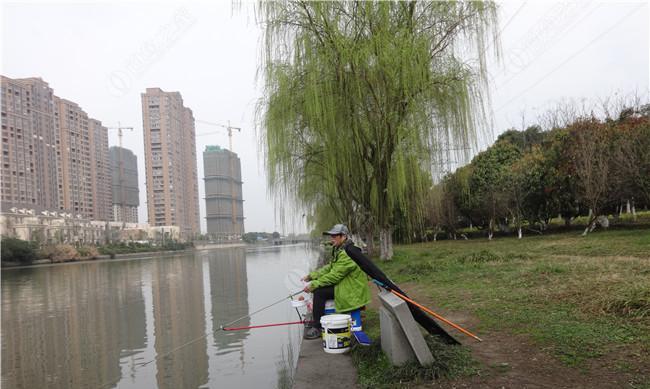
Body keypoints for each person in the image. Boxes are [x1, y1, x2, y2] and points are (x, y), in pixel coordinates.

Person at [301, 224, 371, 340]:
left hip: (352, 289)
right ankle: (319, 322)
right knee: (319, 289)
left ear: (343, 236)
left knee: (319, 292)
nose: (331, 239)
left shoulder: (348, 253)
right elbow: (330, 267)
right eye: (331, 236)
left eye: (334, 236)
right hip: (346, 284)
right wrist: (311, 276)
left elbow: (335, 275)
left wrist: (314, 284)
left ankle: (317, 327)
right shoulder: (341, 249)